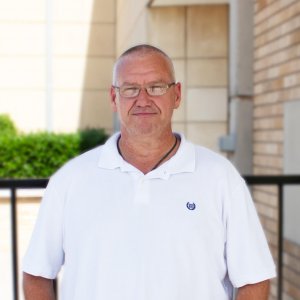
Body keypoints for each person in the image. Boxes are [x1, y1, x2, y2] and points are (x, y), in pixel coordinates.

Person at [23, 44, 276, 300]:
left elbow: (253, 279)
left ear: (176, 95)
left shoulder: (220, 177)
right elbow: (37, 274)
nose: (143, 100)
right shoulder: (70, 180)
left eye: (156, 87)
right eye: (131, 89)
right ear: (114, 98)